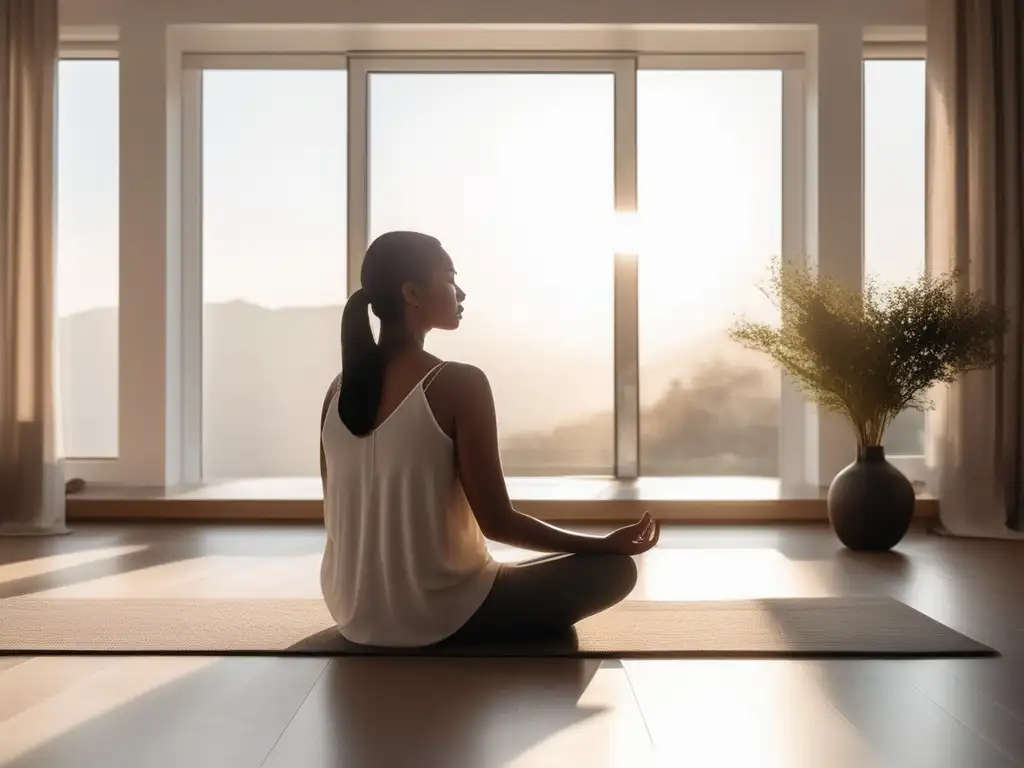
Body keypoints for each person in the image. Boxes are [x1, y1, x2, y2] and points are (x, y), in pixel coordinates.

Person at [319, 231, 660, 648]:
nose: (460, 292)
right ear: (411, 292)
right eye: (449, 277)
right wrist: (602, 546)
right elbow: (498, 522)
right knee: (614, 570)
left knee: (539, 566)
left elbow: (338, 516)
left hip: (352, 612)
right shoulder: (458, 383)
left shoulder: (337, 391)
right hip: (439, 615)